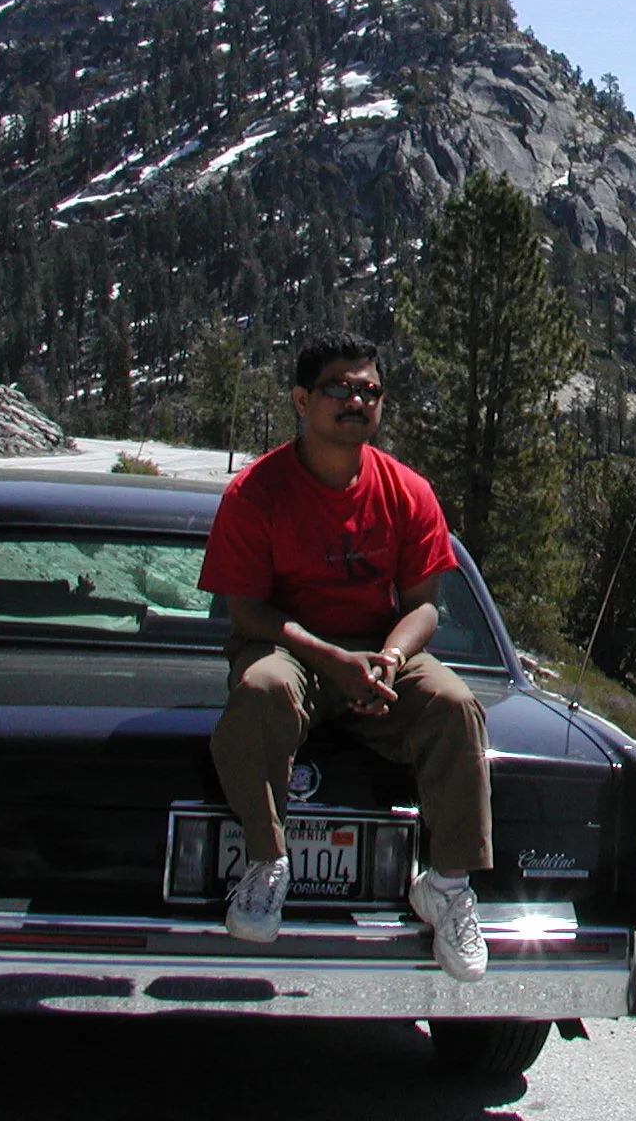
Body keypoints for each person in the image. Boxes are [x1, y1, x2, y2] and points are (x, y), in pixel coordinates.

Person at [198, 334, 492, 982]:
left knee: (454, 705)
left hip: (375, 658)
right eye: (339, 388)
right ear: (302, 400)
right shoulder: (254, 494)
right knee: (260, 691)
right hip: (288, 653)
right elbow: (246, 613)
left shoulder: (409, 492)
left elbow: (422, 606)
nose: (355, 400)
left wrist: (387, 659)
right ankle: (267, 860)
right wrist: (332, 660)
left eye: (369, 391)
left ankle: (445, 886)